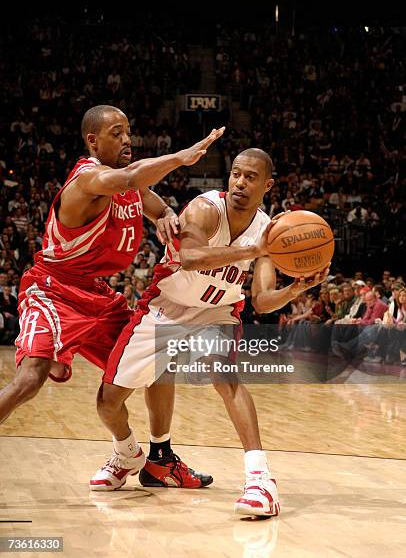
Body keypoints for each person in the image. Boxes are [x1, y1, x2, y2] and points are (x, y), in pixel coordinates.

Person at [0, 100, 224, 497]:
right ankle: (125, 451)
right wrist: (182, 157)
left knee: (157, 356)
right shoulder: (88, 179)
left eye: (128, 131)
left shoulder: (130, 187)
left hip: (97, 295)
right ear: (93, 140)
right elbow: (131, 177)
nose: (127, 138)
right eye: (116, 133)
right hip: (52, 289)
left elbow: (152, 203)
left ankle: (156, 458)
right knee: (29, 380)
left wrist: (167, 217)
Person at [91, 148, 328, 516]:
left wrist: (295, 289)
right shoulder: (205, 208)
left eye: (250, 177)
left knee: (226, 378)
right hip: (165, 307)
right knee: (108, 401)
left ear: (267, 185)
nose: (240, 182)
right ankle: (126, 454)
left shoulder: (268, 232)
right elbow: (189, 258)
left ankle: (260, 480)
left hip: (217, 312)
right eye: (236, 174)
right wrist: (252, 249)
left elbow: (262, 302)